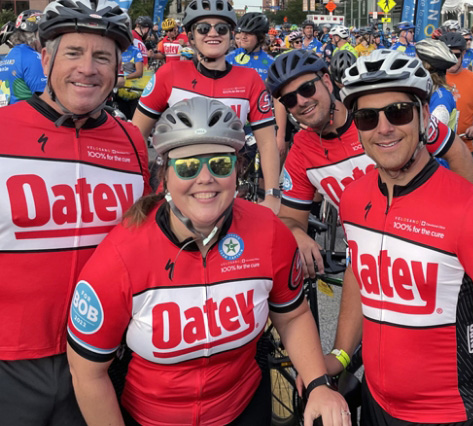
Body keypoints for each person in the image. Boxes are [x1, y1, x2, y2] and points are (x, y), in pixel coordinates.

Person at [66, 96, 351, 426]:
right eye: (188, 166)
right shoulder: (122, 254)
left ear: (237, 171)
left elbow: (292, 315)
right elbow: (87, 372)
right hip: (151, 417)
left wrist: (317, 385)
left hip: (244, 407)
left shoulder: (268, 231)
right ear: (165, 176)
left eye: (220, 164)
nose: (206, 178)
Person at [0, 0, 151, 424]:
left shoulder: (131, 142)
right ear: (45, 58)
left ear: (118, 67)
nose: (88, 68)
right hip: (9, 360)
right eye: (73, 53)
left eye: (102, 56)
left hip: (100, 360)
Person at [334, 47, 473, 426]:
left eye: (398, 113)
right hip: (374, 404)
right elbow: (358, 273)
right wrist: (339, 354)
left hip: (449, 414)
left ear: (422, 116)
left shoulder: (468, 209)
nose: (383, 128)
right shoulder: (352, 198)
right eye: (367, 118)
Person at [266, 49, 473, 279]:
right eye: (289, 99)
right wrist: (297, 233)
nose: (301, 102)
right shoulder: (300, 153)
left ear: (326, 81)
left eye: (307, 89)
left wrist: (470, 226)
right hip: (369, 256)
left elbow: (457, 153)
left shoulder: (382, 115)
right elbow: (289, 217)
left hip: (431, 245)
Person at [132, 0, 281, 215]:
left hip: (225, 191)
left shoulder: (250, 79)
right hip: (174, 189)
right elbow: (136, 137)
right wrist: (142, 190)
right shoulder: (169, 74)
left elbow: (267, 143)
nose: (213, 33)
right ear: (191, 36)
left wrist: (272, 195)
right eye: (203, 28)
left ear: (231, 35)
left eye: (221, 28)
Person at [442, 32, 473, 152]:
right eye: (446, 54)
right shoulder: (431, 79)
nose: (451, 59)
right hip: (434, 150)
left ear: (463, 54)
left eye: (455, 55)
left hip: (464, 148)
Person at [0, 10, 46, 106]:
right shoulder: (34, 58)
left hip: (7, 116)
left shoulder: (10, 55)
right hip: (28, 118)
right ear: (34, 34)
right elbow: (46, 100)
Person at [416, 38, 458, 131]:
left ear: (426, 67)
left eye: (417, 62)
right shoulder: (432, 92)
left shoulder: (441, 100)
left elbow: (431, 137)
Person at [226, 12, 273, 81]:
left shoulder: (271, 63)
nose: (243, 37)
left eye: (249, 33)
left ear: (260, 37)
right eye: (242, 32)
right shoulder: (228, 58)